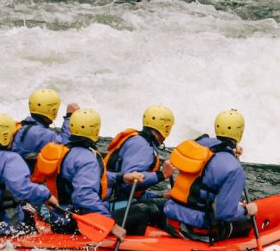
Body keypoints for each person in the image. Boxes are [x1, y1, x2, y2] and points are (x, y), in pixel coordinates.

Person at [30, 108, 126, 240]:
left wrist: (121, 177)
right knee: (144, 211)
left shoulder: (66, 151)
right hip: (78, 222)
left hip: (60, 219)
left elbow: (87, 178)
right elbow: (84, 196)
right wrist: (110, 224)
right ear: (95, 130)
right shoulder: (87, 158)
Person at [164, 109, 258, 242]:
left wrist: (231, 151)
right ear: (240, 133)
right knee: (247, 220)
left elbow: (214, 157)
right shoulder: (234, 169)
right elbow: (225, 214)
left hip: (170, 219)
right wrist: (246, 210)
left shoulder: (198, 144)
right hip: (193, 230)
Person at [104, 105, 176, 234]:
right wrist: (161, 175)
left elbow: (132, 192)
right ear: (166, 127)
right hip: (110, 205)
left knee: (162, 201)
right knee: (161, 208)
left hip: (115, 200)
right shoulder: (142, 146)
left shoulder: (138, 140)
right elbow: (129, 184)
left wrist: (161, 195)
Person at [11, 88, 79, 166]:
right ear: (53, 110)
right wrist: (70, 116)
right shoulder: (42, 134)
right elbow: (66, 144)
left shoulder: (24, 125)